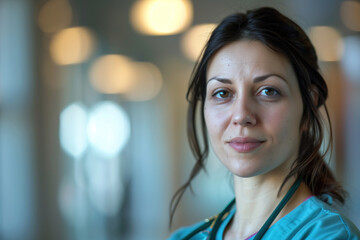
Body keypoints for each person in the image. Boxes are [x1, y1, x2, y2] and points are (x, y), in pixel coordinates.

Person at [168, 6, 360, 240]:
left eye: (268, 91)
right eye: (222, 93)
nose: (241, 115)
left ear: (308, 108)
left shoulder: (329, 235)